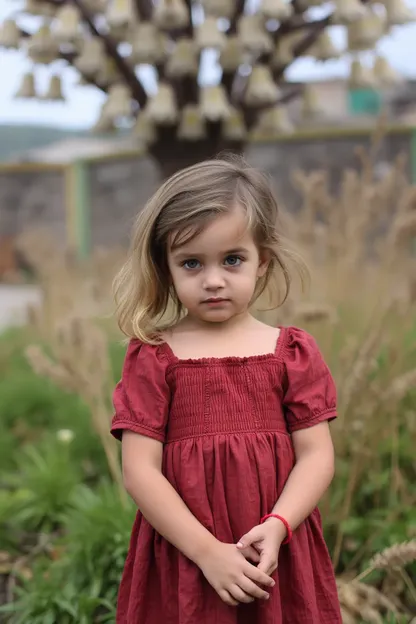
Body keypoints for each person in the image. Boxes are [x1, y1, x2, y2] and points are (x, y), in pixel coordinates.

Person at [110, 156, 342, 624]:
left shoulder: (291, 352)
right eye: (191, 262)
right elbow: (140, 472)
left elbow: (317, 456)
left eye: (232, 259)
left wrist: (278, 526)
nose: (213, 280)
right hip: (187, 555)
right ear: (166, 268)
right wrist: (208, 553)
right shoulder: (155, 356)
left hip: (274, 553)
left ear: (262, 263)